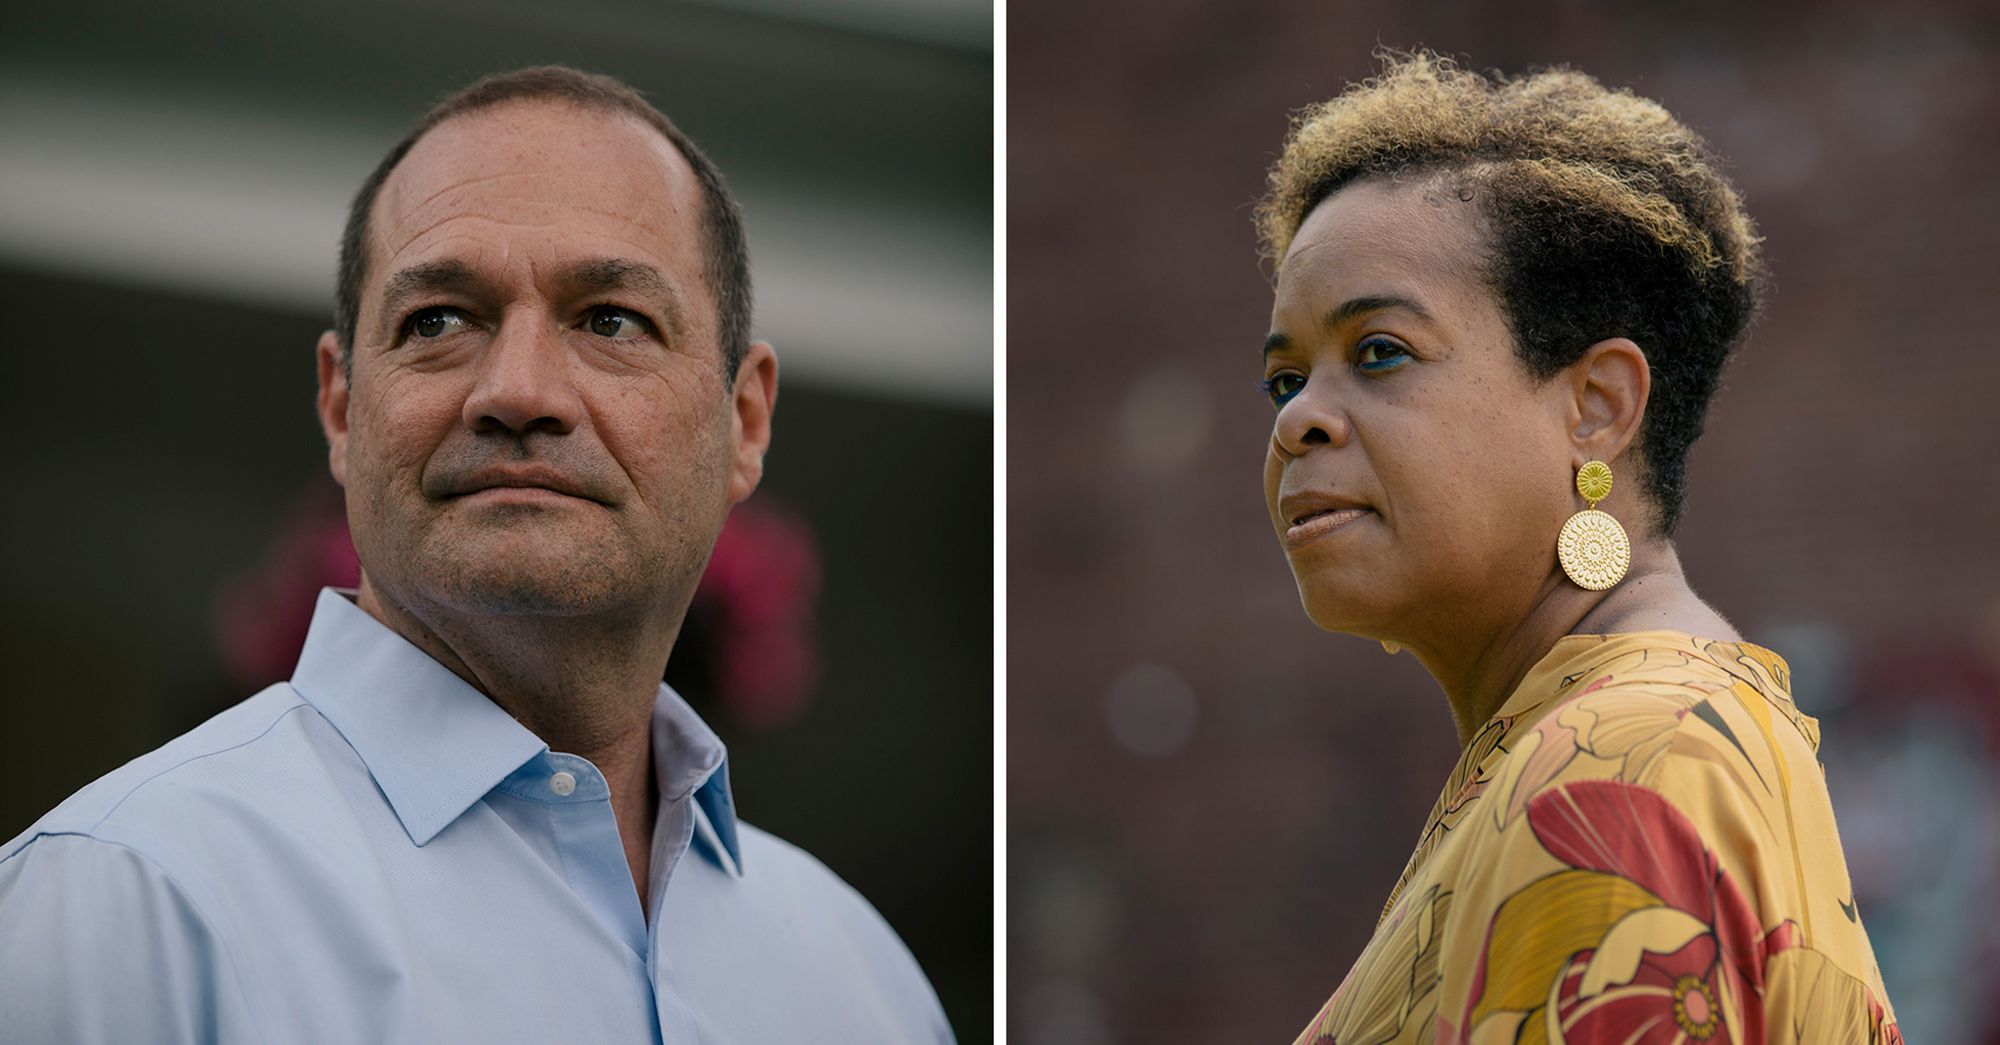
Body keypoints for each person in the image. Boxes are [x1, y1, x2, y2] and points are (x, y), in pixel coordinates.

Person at [0, 66, 952, 1044]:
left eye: (610, 320)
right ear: (340, 405)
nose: (518, 389)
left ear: (744, 420)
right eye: (439, 321)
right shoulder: (130, 899)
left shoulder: (861, 984)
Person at [1253, 52, 1899, 1043]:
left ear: (1596, 408)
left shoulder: (1633, 762)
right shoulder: (1578, 741)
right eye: (1283, 378)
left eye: (1378, 351)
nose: (1298, 418)